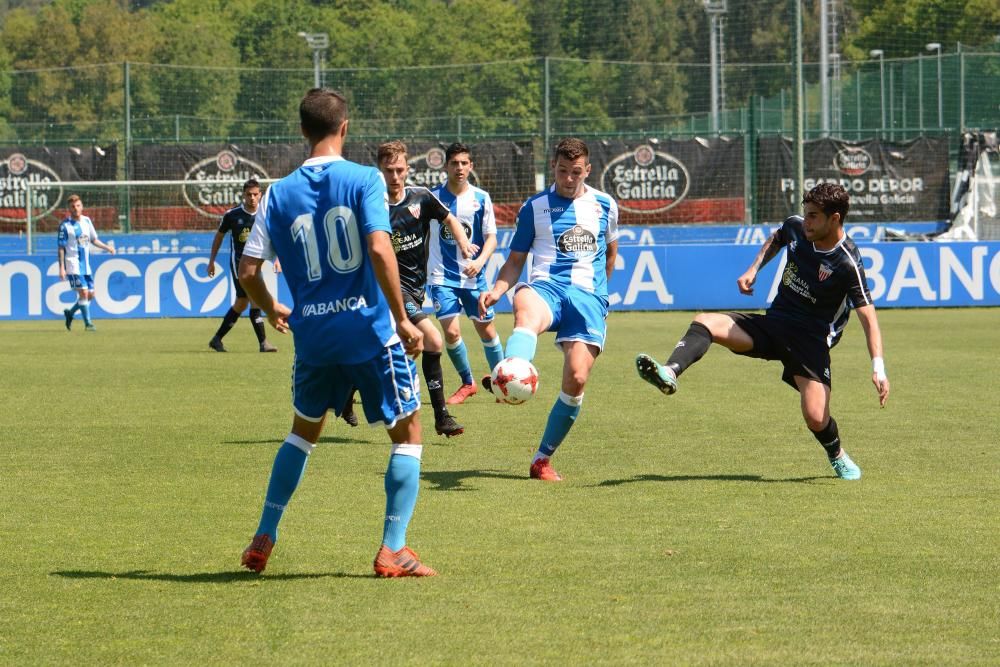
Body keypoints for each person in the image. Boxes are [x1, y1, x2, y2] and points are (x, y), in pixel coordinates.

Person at [237, 88, 436, 577]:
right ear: (344, 128)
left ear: (302, 131)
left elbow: (247, 271)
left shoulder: (277, 193)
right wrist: (405, 319)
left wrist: (274, 307)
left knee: (302, 434)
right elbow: (378, 249)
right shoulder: (365, 178)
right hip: (369, 332)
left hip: (314, 337)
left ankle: (265, 533)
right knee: (408, 433)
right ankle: (393, 549)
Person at [634, 182, 890, 480]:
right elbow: (778, 238)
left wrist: (878, 368)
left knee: (816, 417)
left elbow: (868, 317)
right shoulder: (797, 228)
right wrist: (753, 269)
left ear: (834, 219)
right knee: (706, 321)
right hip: (775, 323)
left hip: (811, 341)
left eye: (813, 216)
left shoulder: (847, 261)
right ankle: (669, 372)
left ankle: (837, 455)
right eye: (805, 214)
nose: (805, 221)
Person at [479, 137, 619, 481]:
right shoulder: (534, 207)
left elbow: (611, 254)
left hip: (588, 298)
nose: (568, 179)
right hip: (546, 288)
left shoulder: (605, 205)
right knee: (525, 309)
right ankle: (509, 374)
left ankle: (541, 459)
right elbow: (515, 261)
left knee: (577, 378)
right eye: (561, 171)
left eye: (575, 172)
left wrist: (599, 295)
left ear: (587, 169)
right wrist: (499, 287)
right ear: (552, 168)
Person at [342, 140, 475, 438]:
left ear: (407, 169)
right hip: (387, 288)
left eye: (400, 170)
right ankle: (441, 417)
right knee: (433, 339)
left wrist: (464, 242)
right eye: (388, 170)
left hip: (416, 288)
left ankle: (346, 393)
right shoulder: (371, 206)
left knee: (390, 348)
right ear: (380, 170)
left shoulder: (421, 198)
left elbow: (449, 217)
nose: (395, 176)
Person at [428, 142, 504, 404]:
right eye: (454, 163)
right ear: (446, 166)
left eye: (464, 163)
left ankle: (502, 383)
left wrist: (481, 261)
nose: (459, 168)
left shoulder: (481, 198)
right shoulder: (432, 197)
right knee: (451, 334)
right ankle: (468, 382)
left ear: (470, 166)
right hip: (441, 277)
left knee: (487, 331)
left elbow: (492, 237)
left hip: (474, 277)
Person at [206, 178, 278, 353]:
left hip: (256, 265)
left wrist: (277, 258)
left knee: (241, 303)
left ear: (260, 195)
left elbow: (275, 237)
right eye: (249, 195)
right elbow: (219, 237)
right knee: (254, 300)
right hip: (238, 264)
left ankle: (217, 339)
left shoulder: (265, 214)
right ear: (243, 195)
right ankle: (263, 343)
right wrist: (211, 261)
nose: (252, 198)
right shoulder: (232, 215)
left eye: (255, 194)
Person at [58, 194, 116, 331]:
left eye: (78, 206)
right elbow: (61, 247)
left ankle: (70, 313)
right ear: (69, 209)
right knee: (83, 293)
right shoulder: (65, 226)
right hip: (72, 264)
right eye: (73, 206)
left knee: (91, 295)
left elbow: (93, 239)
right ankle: (88, 324)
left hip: (86, 265)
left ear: (82, 206)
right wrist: (61, 267)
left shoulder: (87, 221)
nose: (76, 209)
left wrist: (107, 247)